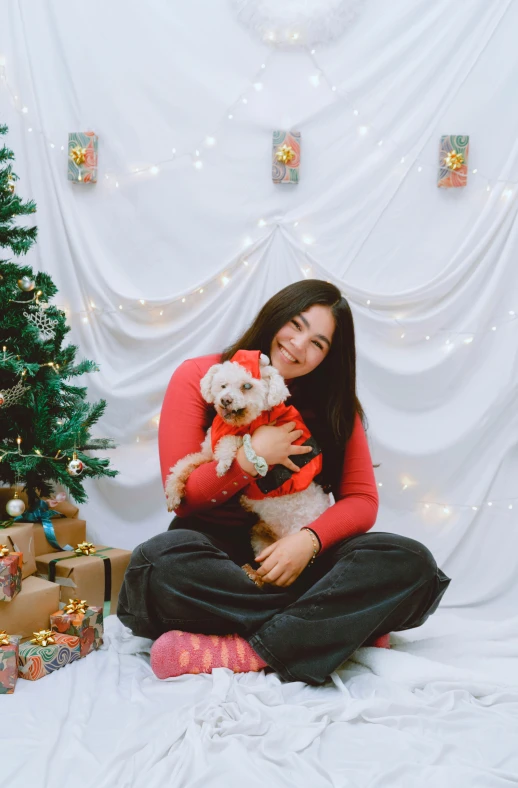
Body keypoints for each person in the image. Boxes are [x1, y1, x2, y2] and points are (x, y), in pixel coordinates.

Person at [117, 280, 451, 686]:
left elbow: (362, 500)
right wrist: (252, 457)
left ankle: (248, 651)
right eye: (295, 324)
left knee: (414, 565)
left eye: (318, 343)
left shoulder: (333, 404)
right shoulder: (202, 376)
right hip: (216, 558)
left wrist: (307, 542)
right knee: (155, 566)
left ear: (328, 357)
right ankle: (339, 623)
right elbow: (184, 501)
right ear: (274, 316)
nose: (298, 344)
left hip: (302, 555)